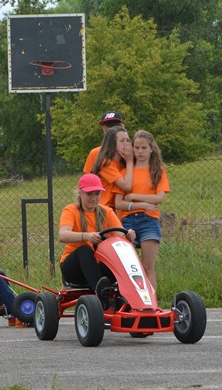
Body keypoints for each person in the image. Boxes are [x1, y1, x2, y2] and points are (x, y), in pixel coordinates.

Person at [59, 174, 136, 308]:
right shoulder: (71, 210)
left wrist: (128, 236)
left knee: (120, 255)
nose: (94, 198)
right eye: (89, 194)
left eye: (97, 194)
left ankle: (133, 296)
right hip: (74, 270)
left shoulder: (107, 211)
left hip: (99, 269)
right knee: (85, 250)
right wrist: (86, 236)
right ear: (80, 193)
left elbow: (119, 236)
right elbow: (63, 235)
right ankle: (100, 293)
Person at [115, 130, 170, 290]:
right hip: (128, 221)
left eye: (144, 148)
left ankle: (151, 301)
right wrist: (142, 204)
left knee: (147, 266)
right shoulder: (125, 172)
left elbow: (159, 198)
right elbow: (119, 203)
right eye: (136, 147)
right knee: (129, 268)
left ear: (151, 149)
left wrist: (133, 196)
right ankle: (130, 299)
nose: (140, 151)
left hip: (149, 220)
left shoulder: (158, 171)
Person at [90, 126, 134, 209]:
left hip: (116, 208)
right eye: (122, 141)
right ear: (112, 144)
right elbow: (126, 186)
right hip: (103, 207)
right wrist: (130, 162)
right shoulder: (106, 162)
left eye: (128, 140)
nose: (126, 143)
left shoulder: (123, 162)